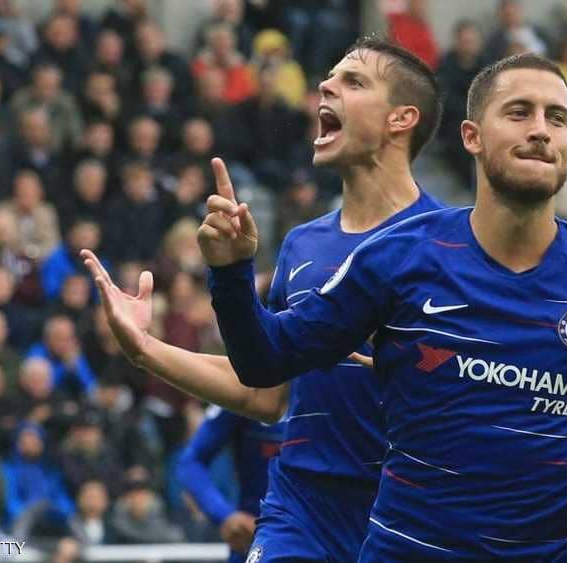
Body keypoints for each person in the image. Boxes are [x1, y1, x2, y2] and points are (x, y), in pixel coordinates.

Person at [199, 53, 567, 561]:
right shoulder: (398, 258)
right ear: (472, 136)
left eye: (556, 118)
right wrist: (231, 272)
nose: (539, 130)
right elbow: (265, 361)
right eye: (518, 112)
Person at [83, 37, 443, 562]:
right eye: (330, 77)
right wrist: (143, 347)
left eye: (353, 81)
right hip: (301, 512)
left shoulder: (448, 246)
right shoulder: (302, 245)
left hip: (408, 515)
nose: (326, 86)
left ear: (401, 118)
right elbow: (266, 393)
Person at [176, 406, 283, 562]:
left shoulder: (317, 397)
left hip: (316, 533)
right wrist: (224, 514)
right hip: (254, 536)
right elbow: (191, 461)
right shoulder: (248, 395)